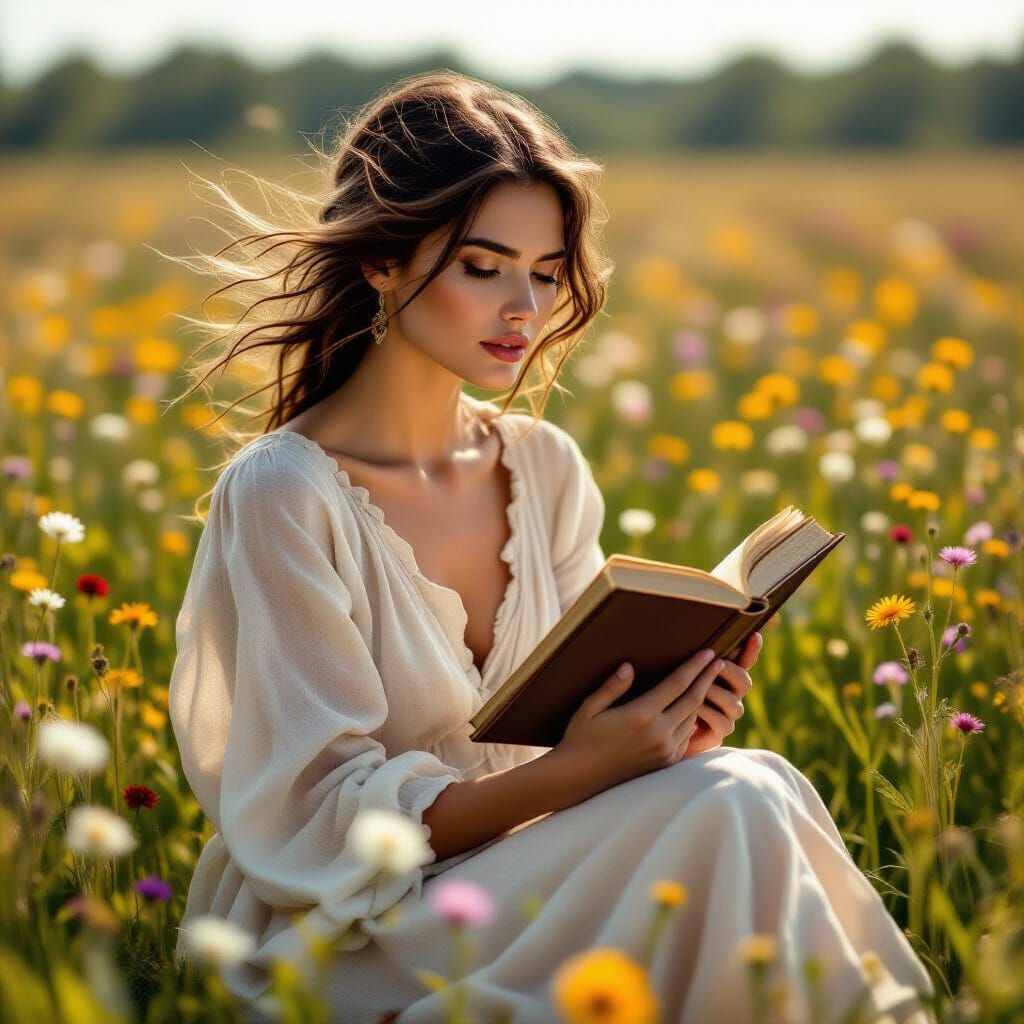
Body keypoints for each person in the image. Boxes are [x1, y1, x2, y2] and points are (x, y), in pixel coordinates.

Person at [167, 70, 936, 1023]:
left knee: (748, 778)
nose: (524, 307)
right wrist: (580, 770)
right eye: (483, 267)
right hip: (355, 925)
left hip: (530, 861)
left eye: (544, 269)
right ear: (382, 262)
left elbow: (571, 728)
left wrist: (661, 730)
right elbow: (317, 826)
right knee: (736, 803)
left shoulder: (546, 466)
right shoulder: (285, 491)